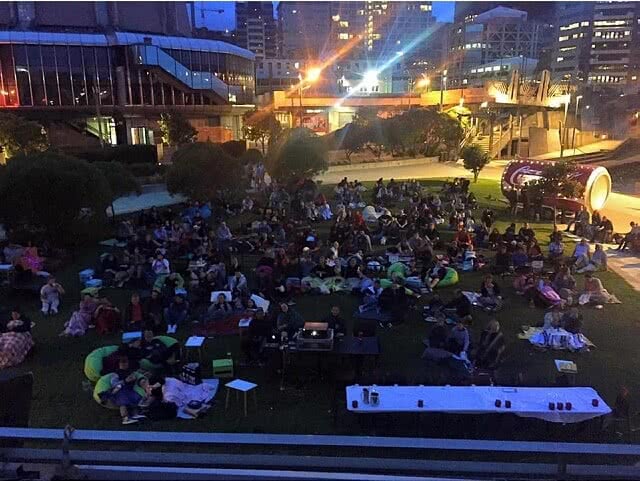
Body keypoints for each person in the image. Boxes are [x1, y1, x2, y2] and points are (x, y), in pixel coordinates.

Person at [98, 356, 146, 425]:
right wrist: (125, 381)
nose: (124, 364)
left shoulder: (130, 372)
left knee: (136, 397)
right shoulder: (116, 374)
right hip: (119, 391)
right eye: (122, 363)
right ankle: (125, 418)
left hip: (129, 390)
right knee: (122, 399)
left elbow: (137, 377)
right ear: (119, 364)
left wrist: (135, 378)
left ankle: (135, 414)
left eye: (125, 363)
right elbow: (114, 384)